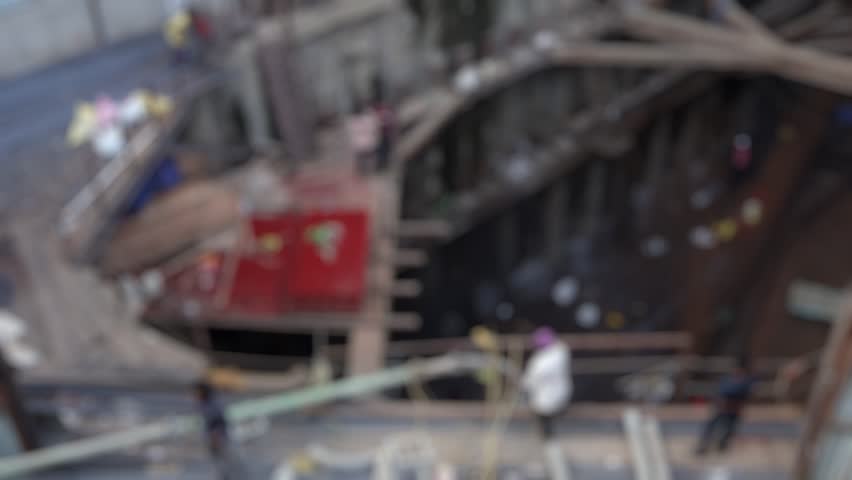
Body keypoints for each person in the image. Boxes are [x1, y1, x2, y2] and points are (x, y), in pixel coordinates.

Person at [522, 326, 572, 441]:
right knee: (545, 421)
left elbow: (535, 376)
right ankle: (549, 443)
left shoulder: (553, 356)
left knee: (546, 424)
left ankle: (551, 446)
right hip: (549, 394)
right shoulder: (555, 353)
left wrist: (526, 383)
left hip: (550, 396)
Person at [696, 359, 755, 455]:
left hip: (734, 410)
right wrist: (721, 404)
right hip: (722, 408)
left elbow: (744, 395)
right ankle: (704, 446)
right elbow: (720, 393)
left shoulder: (746, 381)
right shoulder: (728, 379)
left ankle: (721, 445)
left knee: (728, 431)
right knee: (711, 427)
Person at [195, 381, 231, 478]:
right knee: (217, 464)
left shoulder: (212, 404)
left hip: (218, 438)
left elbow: (219, 421)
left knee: (221, 464)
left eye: (197, 392)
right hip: (213, 437)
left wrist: (216, 436)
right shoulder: (204, 403)